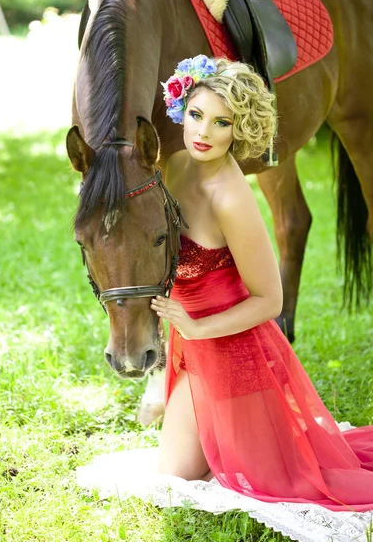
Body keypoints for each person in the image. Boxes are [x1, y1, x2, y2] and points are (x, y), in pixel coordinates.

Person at [149, 55, 373, 511]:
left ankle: (247, 431)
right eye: (196, 115)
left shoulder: (231, 197)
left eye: (221, 123)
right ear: (181, 109)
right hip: (188, 348)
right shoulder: (174, 163)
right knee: (173, 475)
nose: (203, 133)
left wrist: (197, 327)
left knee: (227, 478)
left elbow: (270, 300)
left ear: (240, 129)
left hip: (232, 350)